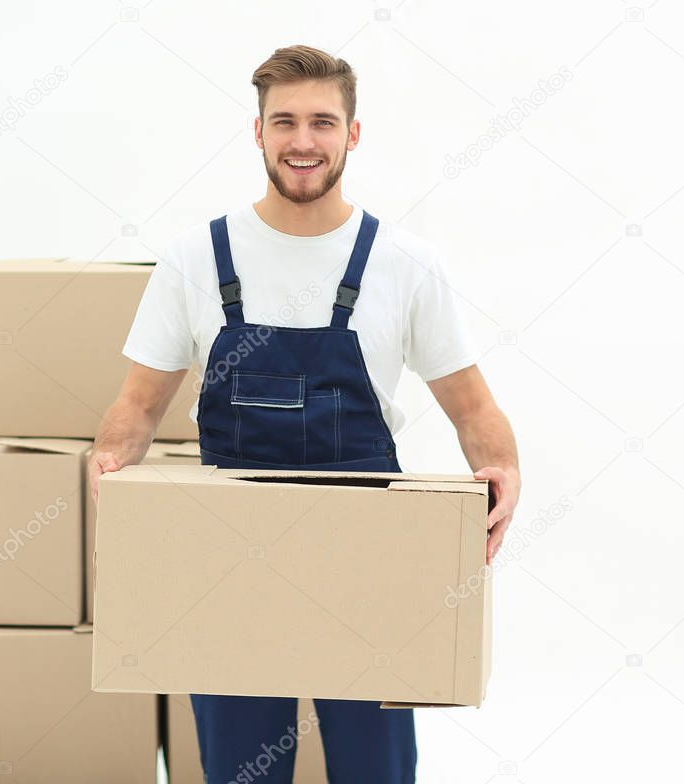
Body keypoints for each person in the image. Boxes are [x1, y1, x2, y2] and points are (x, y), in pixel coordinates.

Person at [89, 43, 520, 784]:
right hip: (225, 548)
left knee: (373, 768)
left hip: (369, 551)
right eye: (282, 121)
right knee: (240, 767)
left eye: (322, 122)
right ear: (256, 131)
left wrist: (504, 467)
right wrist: (109, 467)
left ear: (352, 134)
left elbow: (471, 404)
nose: (301, 141)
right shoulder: (195, 258)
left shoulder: (404, 262)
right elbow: (137, 404)